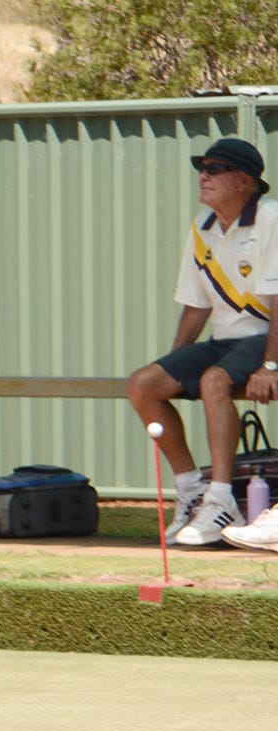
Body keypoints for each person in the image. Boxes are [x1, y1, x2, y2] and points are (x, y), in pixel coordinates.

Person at [128, 137, 278, 546]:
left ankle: (221, 498)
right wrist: (175, 362)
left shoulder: (271, 219)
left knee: (214, 381)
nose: (204, 176)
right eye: (202, 168)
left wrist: (270, 366)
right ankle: (191, 490)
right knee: (143, 384)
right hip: (226, 341)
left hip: (268, 337)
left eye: (215, 169)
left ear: (244, 181)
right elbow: (195, 306)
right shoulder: (202, 227)